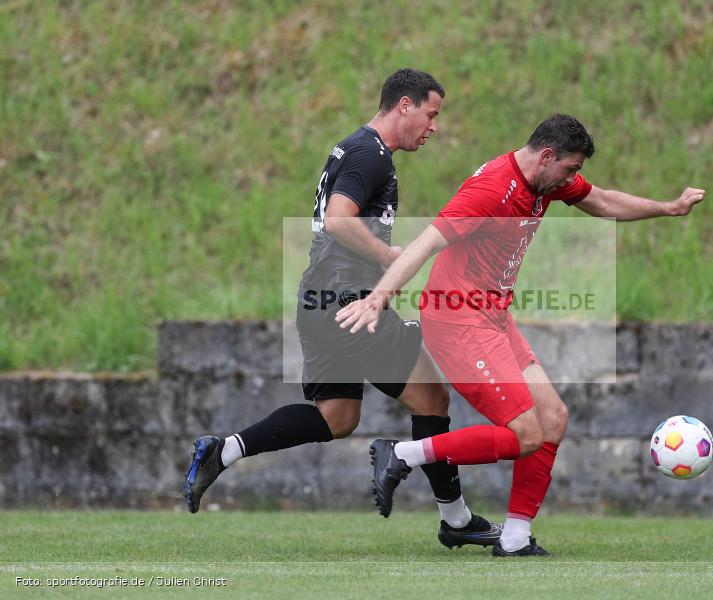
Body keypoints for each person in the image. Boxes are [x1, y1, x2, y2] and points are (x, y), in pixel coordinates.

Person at [335, 113, 705, 556]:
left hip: (492, 316)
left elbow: (603, 201)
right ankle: (402, 454)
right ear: (547, 156)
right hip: (456, 319)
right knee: (526, 435)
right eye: (570, 168)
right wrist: (379, 297)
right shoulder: (491, 189)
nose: (573, 178)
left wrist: (669, 208)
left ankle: (514, 539)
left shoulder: (547, 180)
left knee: (553, 419)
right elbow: (425, 244)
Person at [184, 68, 501, 550]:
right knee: (433, 399)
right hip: (347, 304)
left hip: (318, 302)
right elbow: (338, 220)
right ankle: (455, 520)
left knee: (337, 417)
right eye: (431, 114)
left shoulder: (356, 148)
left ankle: (223, 451)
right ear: (405, 106)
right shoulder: (370, 153)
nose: (434, 127)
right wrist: (389, 257)